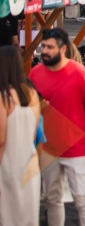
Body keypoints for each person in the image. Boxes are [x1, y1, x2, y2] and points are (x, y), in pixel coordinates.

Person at [30, 28, 85, 226]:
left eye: (49, 47)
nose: (44, 51)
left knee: (83, 201)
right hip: (48, 149)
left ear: (63, 49)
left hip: (78, 149)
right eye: (43, 47)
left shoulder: (81, 74)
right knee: (52, 199)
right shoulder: (35, 74)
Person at [0, 45, 41, 226]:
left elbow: (1, 139)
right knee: (28, 216)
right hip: (30, 162)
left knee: (8, 215)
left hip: (8, 163)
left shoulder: (4, 97)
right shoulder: (32, 94)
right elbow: (33, 133)